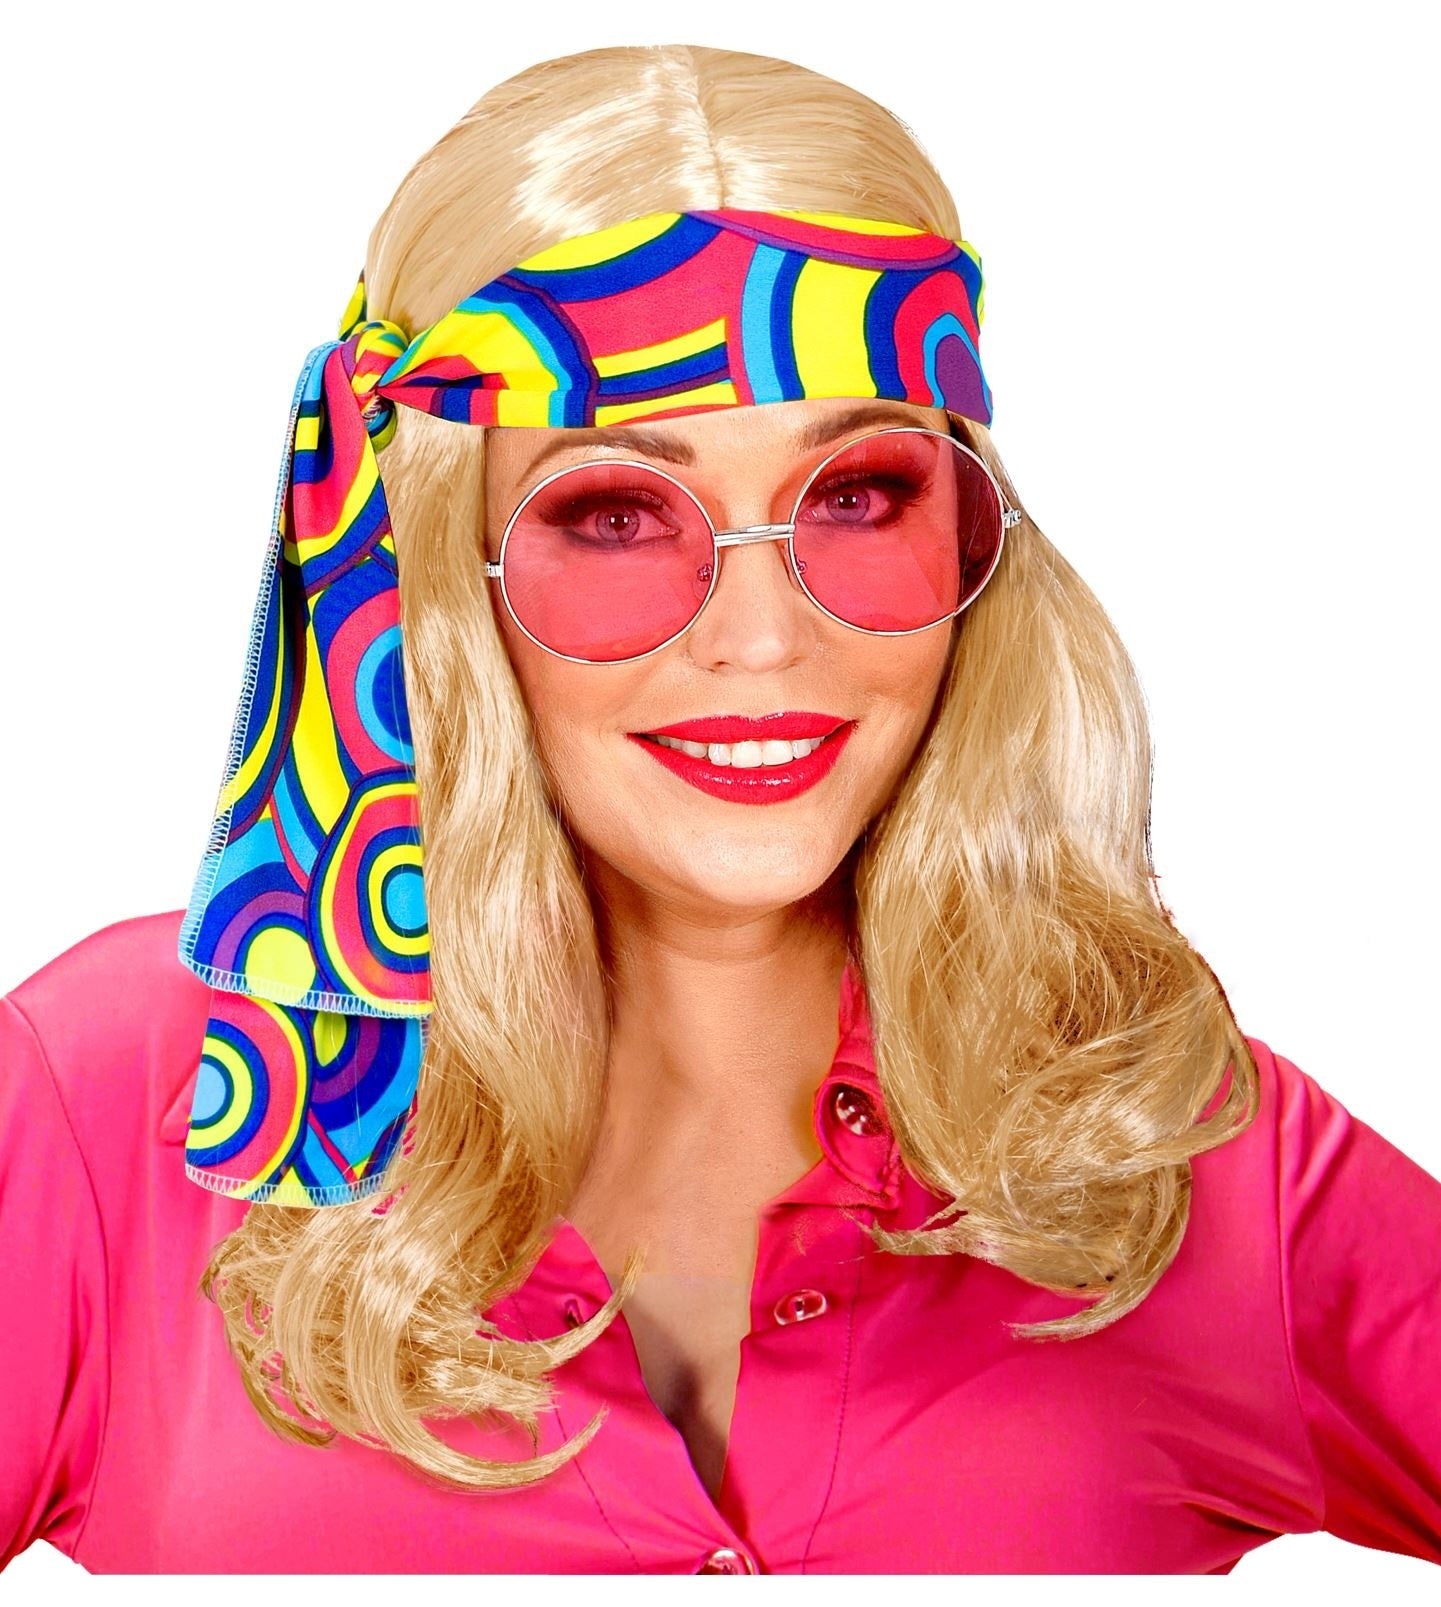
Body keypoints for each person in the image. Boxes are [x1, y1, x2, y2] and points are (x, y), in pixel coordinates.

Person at [2, 41, 1438, 1578]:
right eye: (615, 515)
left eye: (857, 497)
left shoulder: (1154, 1138)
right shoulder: (122, 1106)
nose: (761, 641)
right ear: (429, 572)